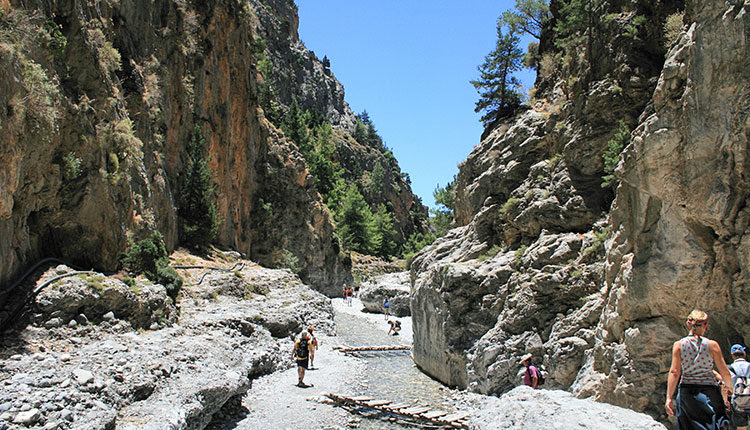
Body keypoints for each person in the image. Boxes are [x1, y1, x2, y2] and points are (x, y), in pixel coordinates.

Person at [665, 309, 733, 428]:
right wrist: (729, 389)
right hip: (709, 392)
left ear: (688, 324)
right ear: (705, 324)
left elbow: (674, 372)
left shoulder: (679, 345)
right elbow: (725, 372)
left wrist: (669, 398)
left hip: (687, 392)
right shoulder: (712, 345)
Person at [729, 344, 749, 430]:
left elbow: (727, 386)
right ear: (744, 354)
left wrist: (726, 401)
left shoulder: (730, 368)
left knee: (741, 427)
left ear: (732, 355)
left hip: (738, 401)